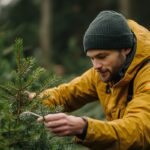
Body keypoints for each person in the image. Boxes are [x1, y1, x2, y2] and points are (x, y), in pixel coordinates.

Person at [32, 10, 150, 149]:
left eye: (102, 56)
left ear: (126, 49)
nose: (96, 66)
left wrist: (85, 128)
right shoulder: (105, 70)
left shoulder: (146, 75)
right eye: (92, 58)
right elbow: (66, 94)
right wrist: (33, 101)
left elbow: (139, 131)